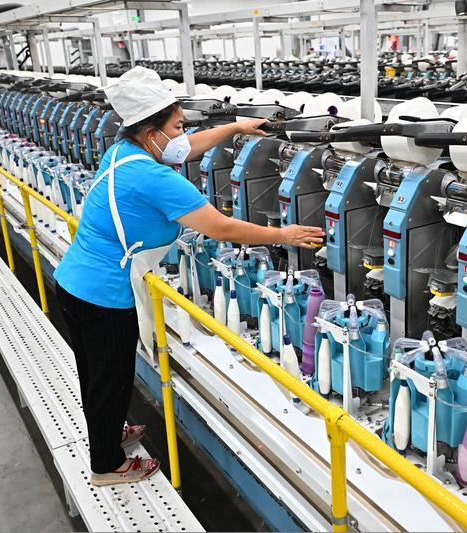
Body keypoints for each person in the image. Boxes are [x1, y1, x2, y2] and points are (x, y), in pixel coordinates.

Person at [53, 66, 323, 486]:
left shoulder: (124, 153)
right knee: (111, 378)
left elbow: (190, 147)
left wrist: (236, 127)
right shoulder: (153, 177)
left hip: (75, 282)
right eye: (176, 127)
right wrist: (282, 234)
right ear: (150, 131)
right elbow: (221, 227)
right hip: (104, 295)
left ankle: (107, 432)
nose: (183, 136)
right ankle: (107, 465)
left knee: (94, 374)